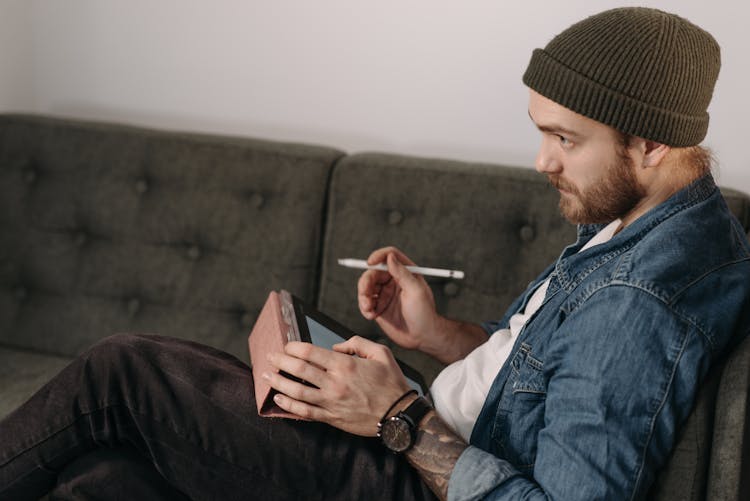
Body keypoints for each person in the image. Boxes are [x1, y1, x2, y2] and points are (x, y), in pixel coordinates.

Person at [2, 6, 749, 501]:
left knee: (123, 372)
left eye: (564, 138)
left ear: (649, 142)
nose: (541, 161)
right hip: (422, 433)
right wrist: (432, 334)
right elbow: (548, 377)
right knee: (106, 476)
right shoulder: (643, 214)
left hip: (407, 470)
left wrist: (394, 416)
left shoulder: (640, 302)